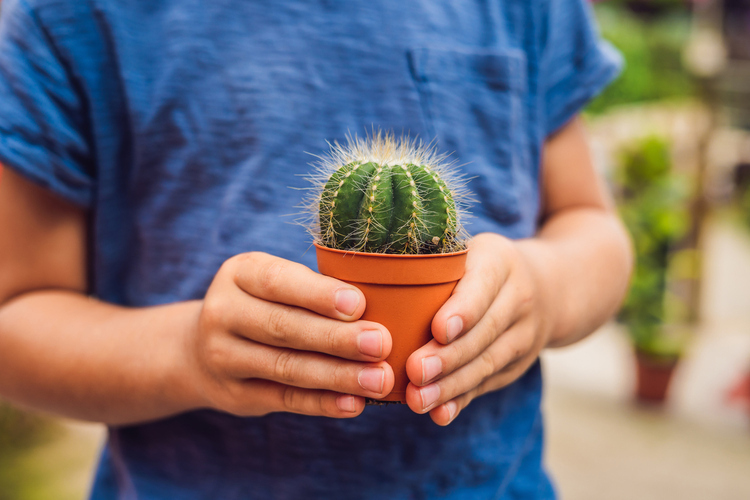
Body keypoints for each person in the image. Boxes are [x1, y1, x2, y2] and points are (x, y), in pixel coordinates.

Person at [0, 0, 632, 498]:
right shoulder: (69, 16)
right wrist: (187, 352)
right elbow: (16, 314)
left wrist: (545, 289)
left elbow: (591, 225)